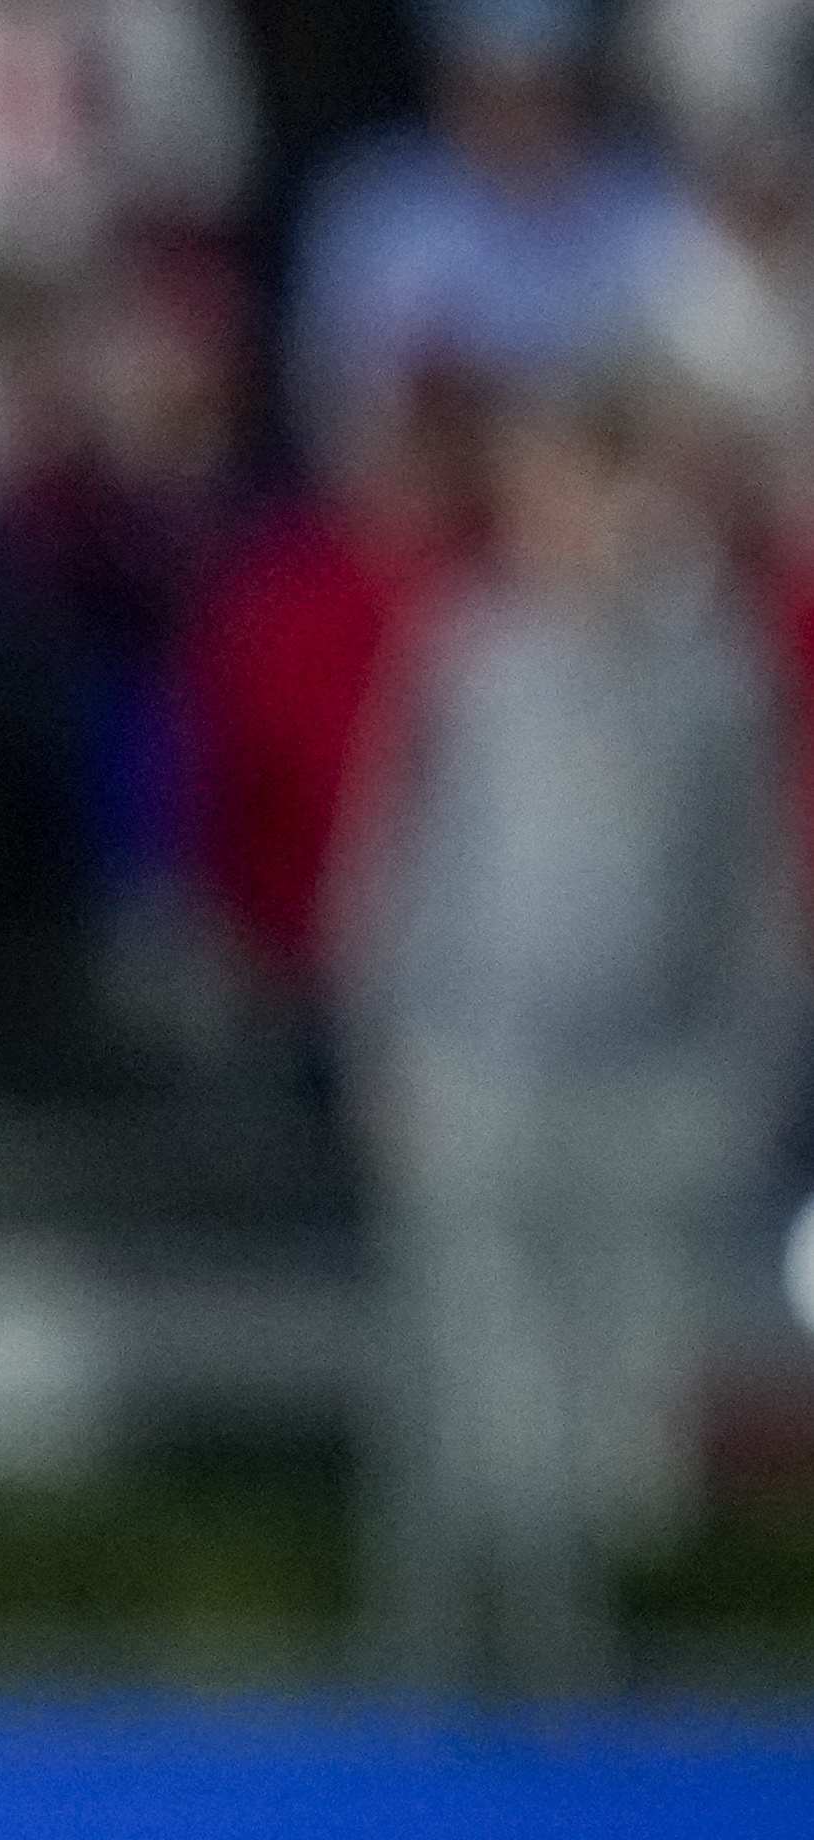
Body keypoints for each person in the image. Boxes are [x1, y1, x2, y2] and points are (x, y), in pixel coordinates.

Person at [330, 364, 805, 1692]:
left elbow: (754, 903)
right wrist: (386, 1046)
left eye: (579, 486)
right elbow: (396, 861)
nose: (554, 517)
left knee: (623, 1432)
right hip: (479, 1067)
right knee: (472, 1395)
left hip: (648, 1092)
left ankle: (610, 1698)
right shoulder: (472, 656)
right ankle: (443, 1670)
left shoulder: (710, 677)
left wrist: (741, 1083)